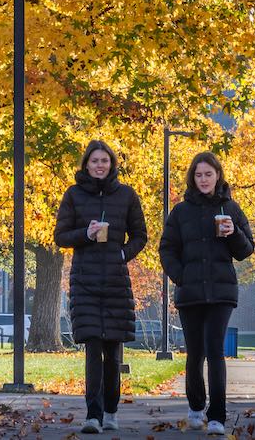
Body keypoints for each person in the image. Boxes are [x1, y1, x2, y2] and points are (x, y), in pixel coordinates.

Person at [54, 140, 148, 434]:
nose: (99, 165)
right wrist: (86, 233)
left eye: (104, 161)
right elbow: (61, 236)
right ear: (86, 164)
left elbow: (140, 235)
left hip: (116, 283)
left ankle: (111, 410)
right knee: (92, 348)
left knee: (114, 352)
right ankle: (92, 414)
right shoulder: (73, 195)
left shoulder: (127, 195)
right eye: (94, 161)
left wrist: (122, 253)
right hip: (86, 282)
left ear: (112, 164)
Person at [159, 151, 254, 436]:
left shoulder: (231, 208)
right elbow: (167, 248)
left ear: (218, 176)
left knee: (215, 351)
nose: (203, 179)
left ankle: (217, 416)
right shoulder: (180, 211)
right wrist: (181, 275)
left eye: (208, 174)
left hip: (221, 291)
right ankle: (196, 406)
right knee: (195, 353)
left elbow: (246, 249)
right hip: (190, 292)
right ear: (193, 178)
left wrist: (233, 232)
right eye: (198, 175)